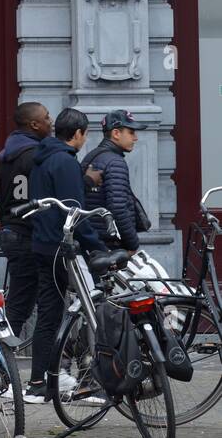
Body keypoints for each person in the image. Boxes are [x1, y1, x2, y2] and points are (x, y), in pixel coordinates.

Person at [26, 107, 107, 403]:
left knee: (49, 315)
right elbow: (77, 213)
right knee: (92, 309)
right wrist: (97, 247)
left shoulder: (43, 157)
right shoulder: (65, 162)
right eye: (85, 134)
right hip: (64, 249)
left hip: (43, 245)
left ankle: (39, 382)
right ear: (78, 134)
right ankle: (95, 380)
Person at [0, 102, 50, 349]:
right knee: (19, 306)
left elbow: (1, 197)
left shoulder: (8, 154)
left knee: (23, 301)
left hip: (11, 230)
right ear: (34, 124)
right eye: (47, 117)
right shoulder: (37, 155)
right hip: (27, 234)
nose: (52, 122)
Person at [82, 109, 150, 253]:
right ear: (116, 133)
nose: (135, 138)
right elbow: (118, 209)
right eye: (131, 132)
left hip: (94, 240)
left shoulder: (92, 156)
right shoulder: (115, 162)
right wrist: (132, 244)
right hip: (110, 244)